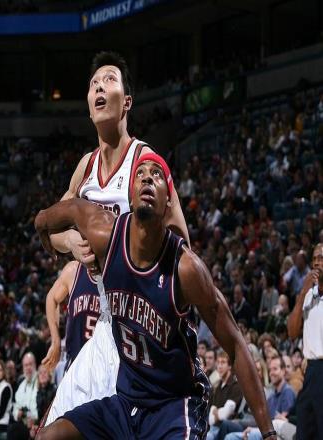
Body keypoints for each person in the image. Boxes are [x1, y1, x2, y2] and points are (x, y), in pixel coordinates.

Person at [35, 153, 275, 439]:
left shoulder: (186, 268)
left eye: (157, 174)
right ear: (131, 196)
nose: (147, 177)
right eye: (140, 173)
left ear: (168, 202)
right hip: (127, 403)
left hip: (174, 405)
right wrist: (42, 225)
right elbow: (67, 210)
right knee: (48, 436)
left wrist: (269, 433)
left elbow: (235, 344)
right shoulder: (105, 234)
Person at [44, 50, 190, 424]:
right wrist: (73, 244)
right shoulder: (86, 166)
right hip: (107, 321)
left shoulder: (145, 161)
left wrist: (132, 253)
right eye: (94, 83)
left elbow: (180, 238)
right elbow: (53, 229)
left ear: (126, 102)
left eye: (109, 80)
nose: (99, 87)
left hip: (143, 321)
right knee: (54, 427)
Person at [287, 242, 323, 439]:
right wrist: (302, 293)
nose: (317, 263)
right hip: (311, 371)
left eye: (321, 258)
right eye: (314, 259)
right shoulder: (308, 295)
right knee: (304, 432)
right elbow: (292, 332)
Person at [42, 261, 99, 373]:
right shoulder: (74, 270)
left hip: (104, 367)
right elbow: (51, 299)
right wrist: (56, 341)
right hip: (75, 365)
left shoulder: (115, 274)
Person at [206, 352, 243, 440]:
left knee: (208, 437)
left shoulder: (236, 386)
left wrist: (217, 413)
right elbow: (211, 417)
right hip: (213, 427)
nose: (219, 366)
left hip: (226, 428)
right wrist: (218, 414)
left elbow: (226, 413)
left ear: (229, 366)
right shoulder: (218, 386)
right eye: (218, 363)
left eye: (223, 362)